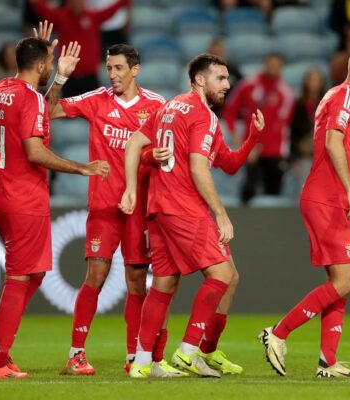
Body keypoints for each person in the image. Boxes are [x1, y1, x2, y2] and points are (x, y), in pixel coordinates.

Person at [119, 54, 265, 378]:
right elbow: (200, 169)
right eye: (220, 79)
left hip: (158, 209)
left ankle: (143, 363)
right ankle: (189, 351)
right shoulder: (203, 116)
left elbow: (225, 162)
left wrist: (254, 138)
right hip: (185, 208)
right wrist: (221, 215)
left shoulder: (168, 108)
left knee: (163, 285)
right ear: (200, 80)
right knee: (223, 276)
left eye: (228, 79)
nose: (227, 85)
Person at [45, 43, 186, 377]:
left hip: (138, 209)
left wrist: (156, 159)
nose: (113, 74)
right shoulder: (97, 99)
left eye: (119, 68)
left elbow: (166, 153)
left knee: (137, 282)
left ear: (135, 70)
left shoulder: (156, 106)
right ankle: (75, 354)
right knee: (95, 275)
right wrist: (60, 77)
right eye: (110, 68)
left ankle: (134, 357)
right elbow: (48, 111)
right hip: (104, 206)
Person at [0, 25, 110, 379]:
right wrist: (81, 167)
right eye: (49, 60)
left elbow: (36, 100)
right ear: (40, 66)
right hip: (23, 198)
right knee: (20, 276)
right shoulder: (30, 98)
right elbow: (35, 151)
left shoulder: (0, 89)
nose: (53, 63)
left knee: (34, 273)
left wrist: (51, 69)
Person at [258, 46, 350, 379]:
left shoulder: (339, 97)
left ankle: (328, 362)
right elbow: (332, 142)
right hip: (327, 197)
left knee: (340, 283)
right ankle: (278, 333)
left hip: (329, 198)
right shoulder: (344, 97)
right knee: (344, 281)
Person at [222, 52, 295, 204]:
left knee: (274, 194)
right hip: (251, 149)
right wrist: (236, 136)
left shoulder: (286, 93)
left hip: (275, 150)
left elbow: (281, 125)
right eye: (270, 64)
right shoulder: (248, 85)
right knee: (248, 191)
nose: (273, 68)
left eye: (277, 65)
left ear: (281, 68)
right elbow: (229, 110)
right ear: (264, 64)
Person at [29, 0, 130, 98]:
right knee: (67, 111)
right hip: (68, 77)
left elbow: (109, 11)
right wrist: (37, 3)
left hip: (90, 76)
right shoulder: (61, 17)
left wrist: (122, 2)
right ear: (69, 2)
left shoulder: (92, 17)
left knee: (92, 112)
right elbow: (45, 12)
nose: (78, 3)